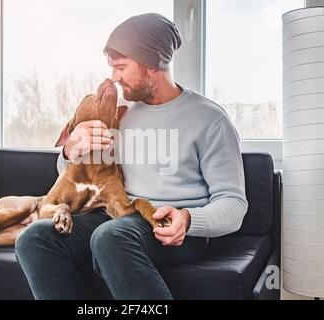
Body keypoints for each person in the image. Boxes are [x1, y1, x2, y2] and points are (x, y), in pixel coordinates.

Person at [15, 13, 248, 300]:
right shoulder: (118, 112)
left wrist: (187, 219)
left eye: (121, 67)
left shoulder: (210, 120)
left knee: (111, 236)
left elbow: (234, 205)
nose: (114, 77)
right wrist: (70, 150)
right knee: (34, 237)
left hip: (173, 229)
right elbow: (75, 174)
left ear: (152, 64)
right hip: (118, 215)